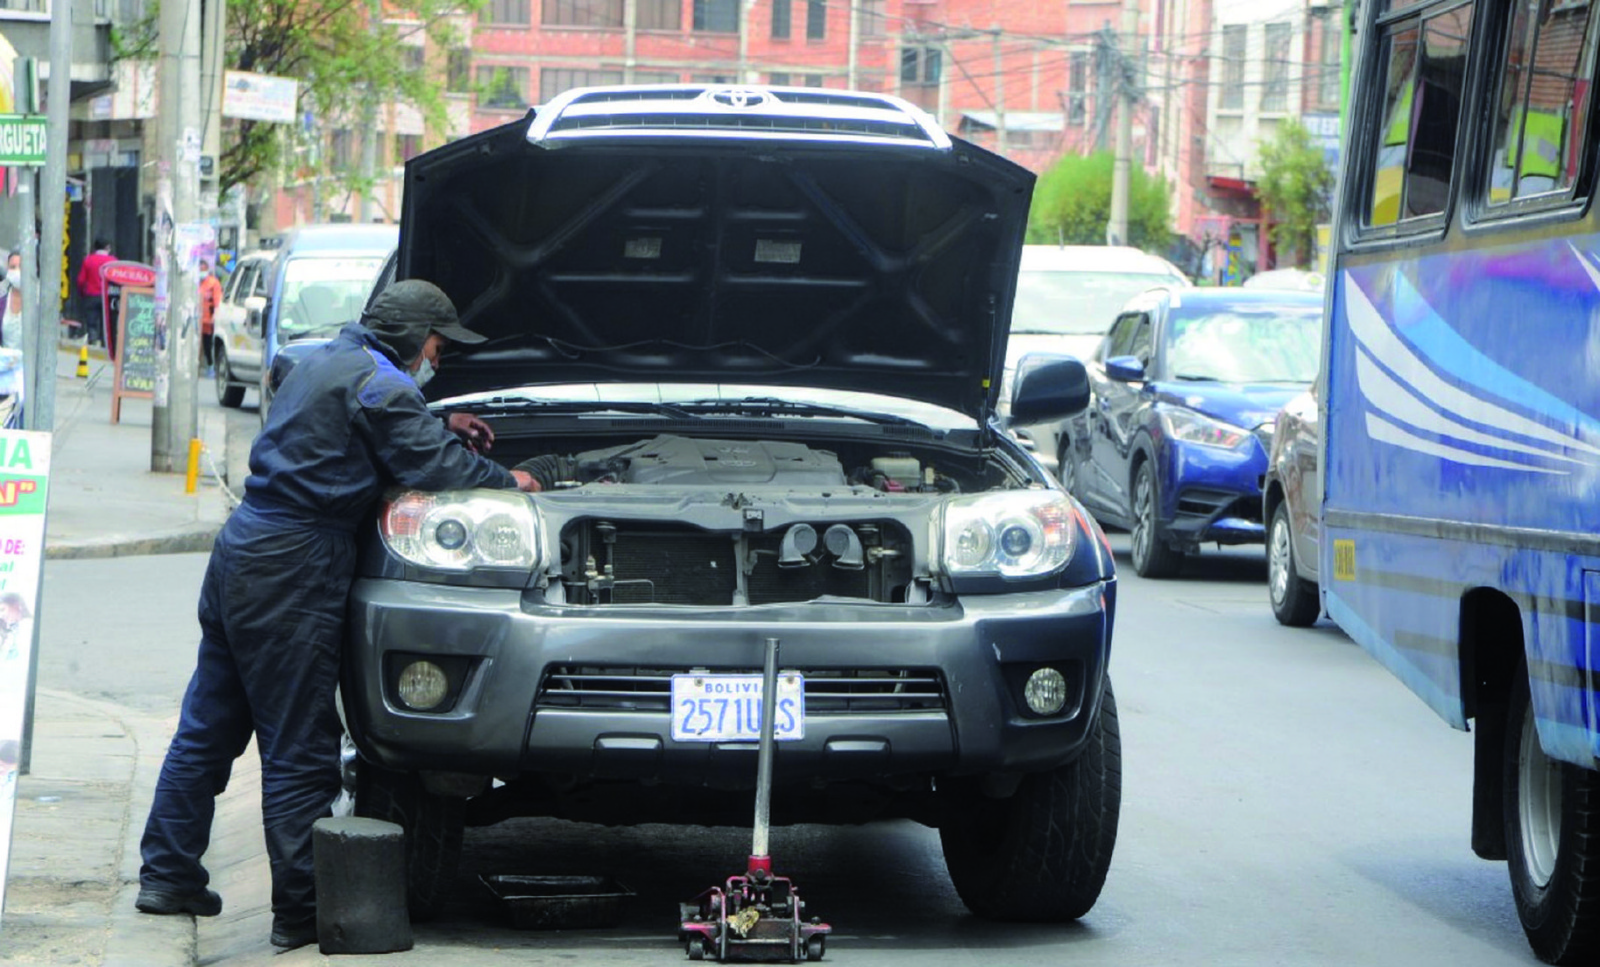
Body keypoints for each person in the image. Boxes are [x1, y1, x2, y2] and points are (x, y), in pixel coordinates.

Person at [134, 279, 539, 950]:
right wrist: (510, 481)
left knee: (209, 724)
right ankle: (301, 908)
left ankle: (168, 872)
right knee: (299, 745)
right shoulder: (383, 384)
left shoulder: (321, 357)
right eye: (438, 345)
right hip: (295, 560)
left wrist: (439, 418)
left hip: (241, 547)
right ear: (414, 338)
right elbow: (432, 465)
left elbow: (359, 420)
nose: (438, 358)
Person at [76, 238, 114, 347]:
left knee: (91, 320)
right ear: (107, 247)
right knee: (106, 321)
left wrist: (82, 292)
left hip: (91, 295)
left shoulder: (88, 260)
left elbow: (81, 280)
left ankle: (92, 339)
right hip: (108, 296)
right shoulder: (113, 261)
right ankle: (105, 342)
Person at [197, 259, 223, 374]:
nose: (201, 272)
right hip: (196, 320)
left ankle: (210, 365)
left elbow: (217, 301)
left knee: (207, 344)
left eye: (203, 270)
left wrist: (215, 316)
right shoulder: (195, 282)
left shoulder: (213, 283)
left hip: (208, 320)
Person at [0, 253, 20, 351]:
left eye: (21, 267)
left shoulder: (38, 306)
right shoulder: (2, 304)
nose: (17, 271)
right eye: (13, 267)